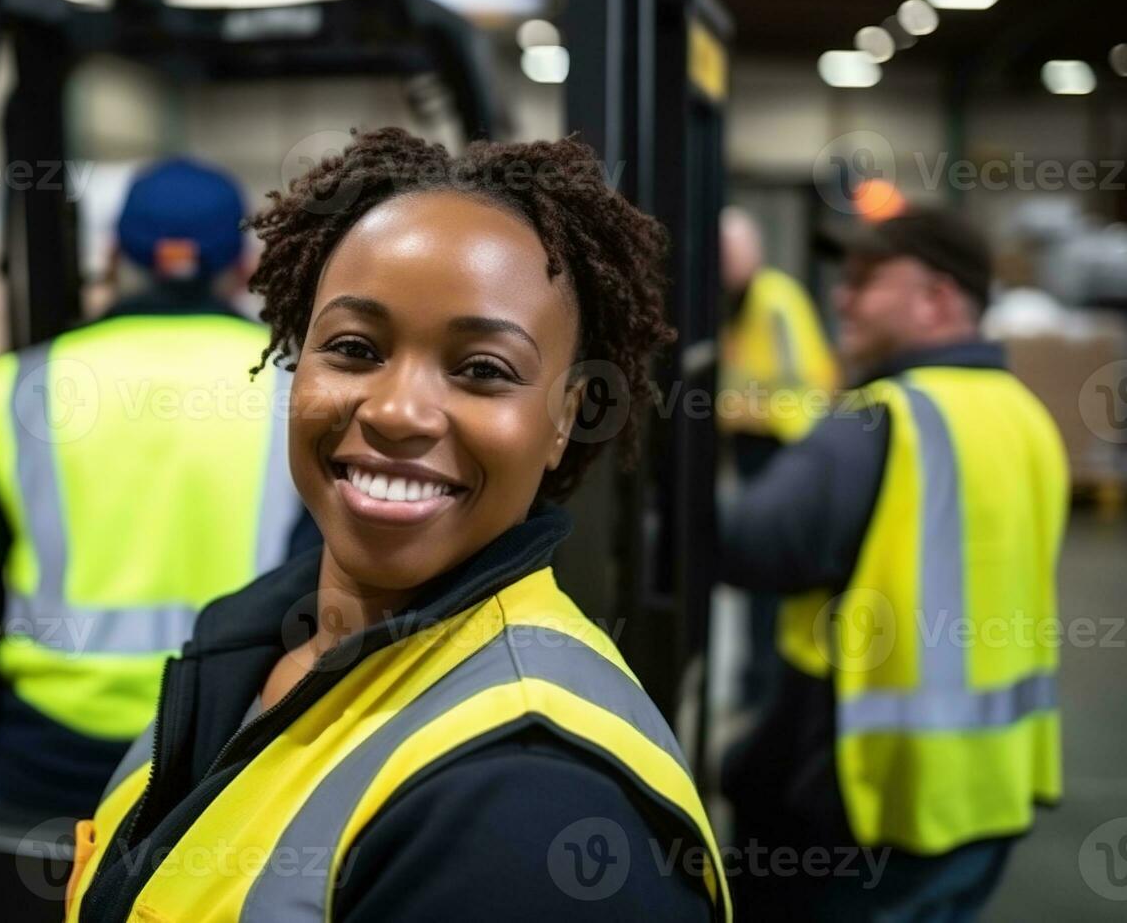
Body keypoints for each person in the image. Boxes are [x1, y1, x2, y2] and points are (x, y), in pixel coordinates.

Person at [63, 129, 733, 921]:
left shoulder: (530, 802)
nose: (396, 412)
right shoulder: (249, 650)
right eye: (353, 348)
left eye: (482, 369)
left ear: (565, 419)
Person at [0, 158, 311, 818]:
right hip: (224, 756)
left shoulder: (17, 388)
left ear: (113, 256)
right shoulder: (301, 392)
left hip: (46, 759)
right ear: (243, 267)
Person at [720, 208, 1068, 920]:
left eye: (865, 281)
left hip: (872, 803)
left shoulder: (885, 420)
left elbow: (750, 543)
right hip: (992, 795)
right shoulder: (1027, 416)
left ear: (935, 298)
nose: (841, 299)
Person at [717, 207, 839, 708]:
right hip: (757, 445)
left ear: (752, 253)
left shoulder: (773, 304)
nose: (723, 262)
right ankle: (756, 682)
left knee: (771, 574)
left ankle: (768, 688)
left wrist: (740, 409)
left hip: (787, 445)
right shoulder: (737, 304)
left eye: (729, 252)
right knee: (754, 575)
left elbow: (801, 382)